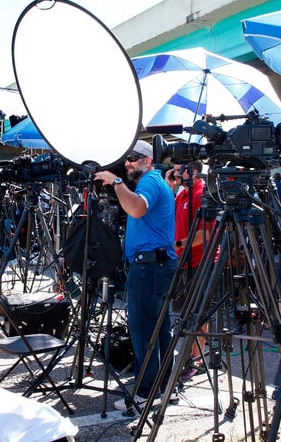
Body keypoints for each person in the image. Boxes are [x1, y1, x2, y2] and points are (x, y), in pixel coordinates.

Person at [94, 140, 178, 411]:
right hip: (156, 266)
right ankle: (166, 388)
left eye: (133, 158)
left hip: (151, 267)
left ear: (148, 161)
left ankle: (146, 392)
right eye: (126, 159)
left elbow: (137, 209)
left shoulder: (150, 181)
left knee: (144, 331)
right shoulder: (152, 181)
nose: (128, 162)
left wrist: (116, 181)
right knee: (159, 331)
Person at [172, 161, 213, 382]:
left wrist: (177, 244)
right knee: (184, 311)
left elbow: (205, 233)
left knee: (198, 312)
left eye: (180, 169)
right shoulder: (181, 194)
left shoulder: (200, 193)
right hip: (182, 260)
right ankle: (189, 352)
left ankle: (196, 359)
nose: (176, 172)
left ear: (193, 172)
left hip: (198, 261)